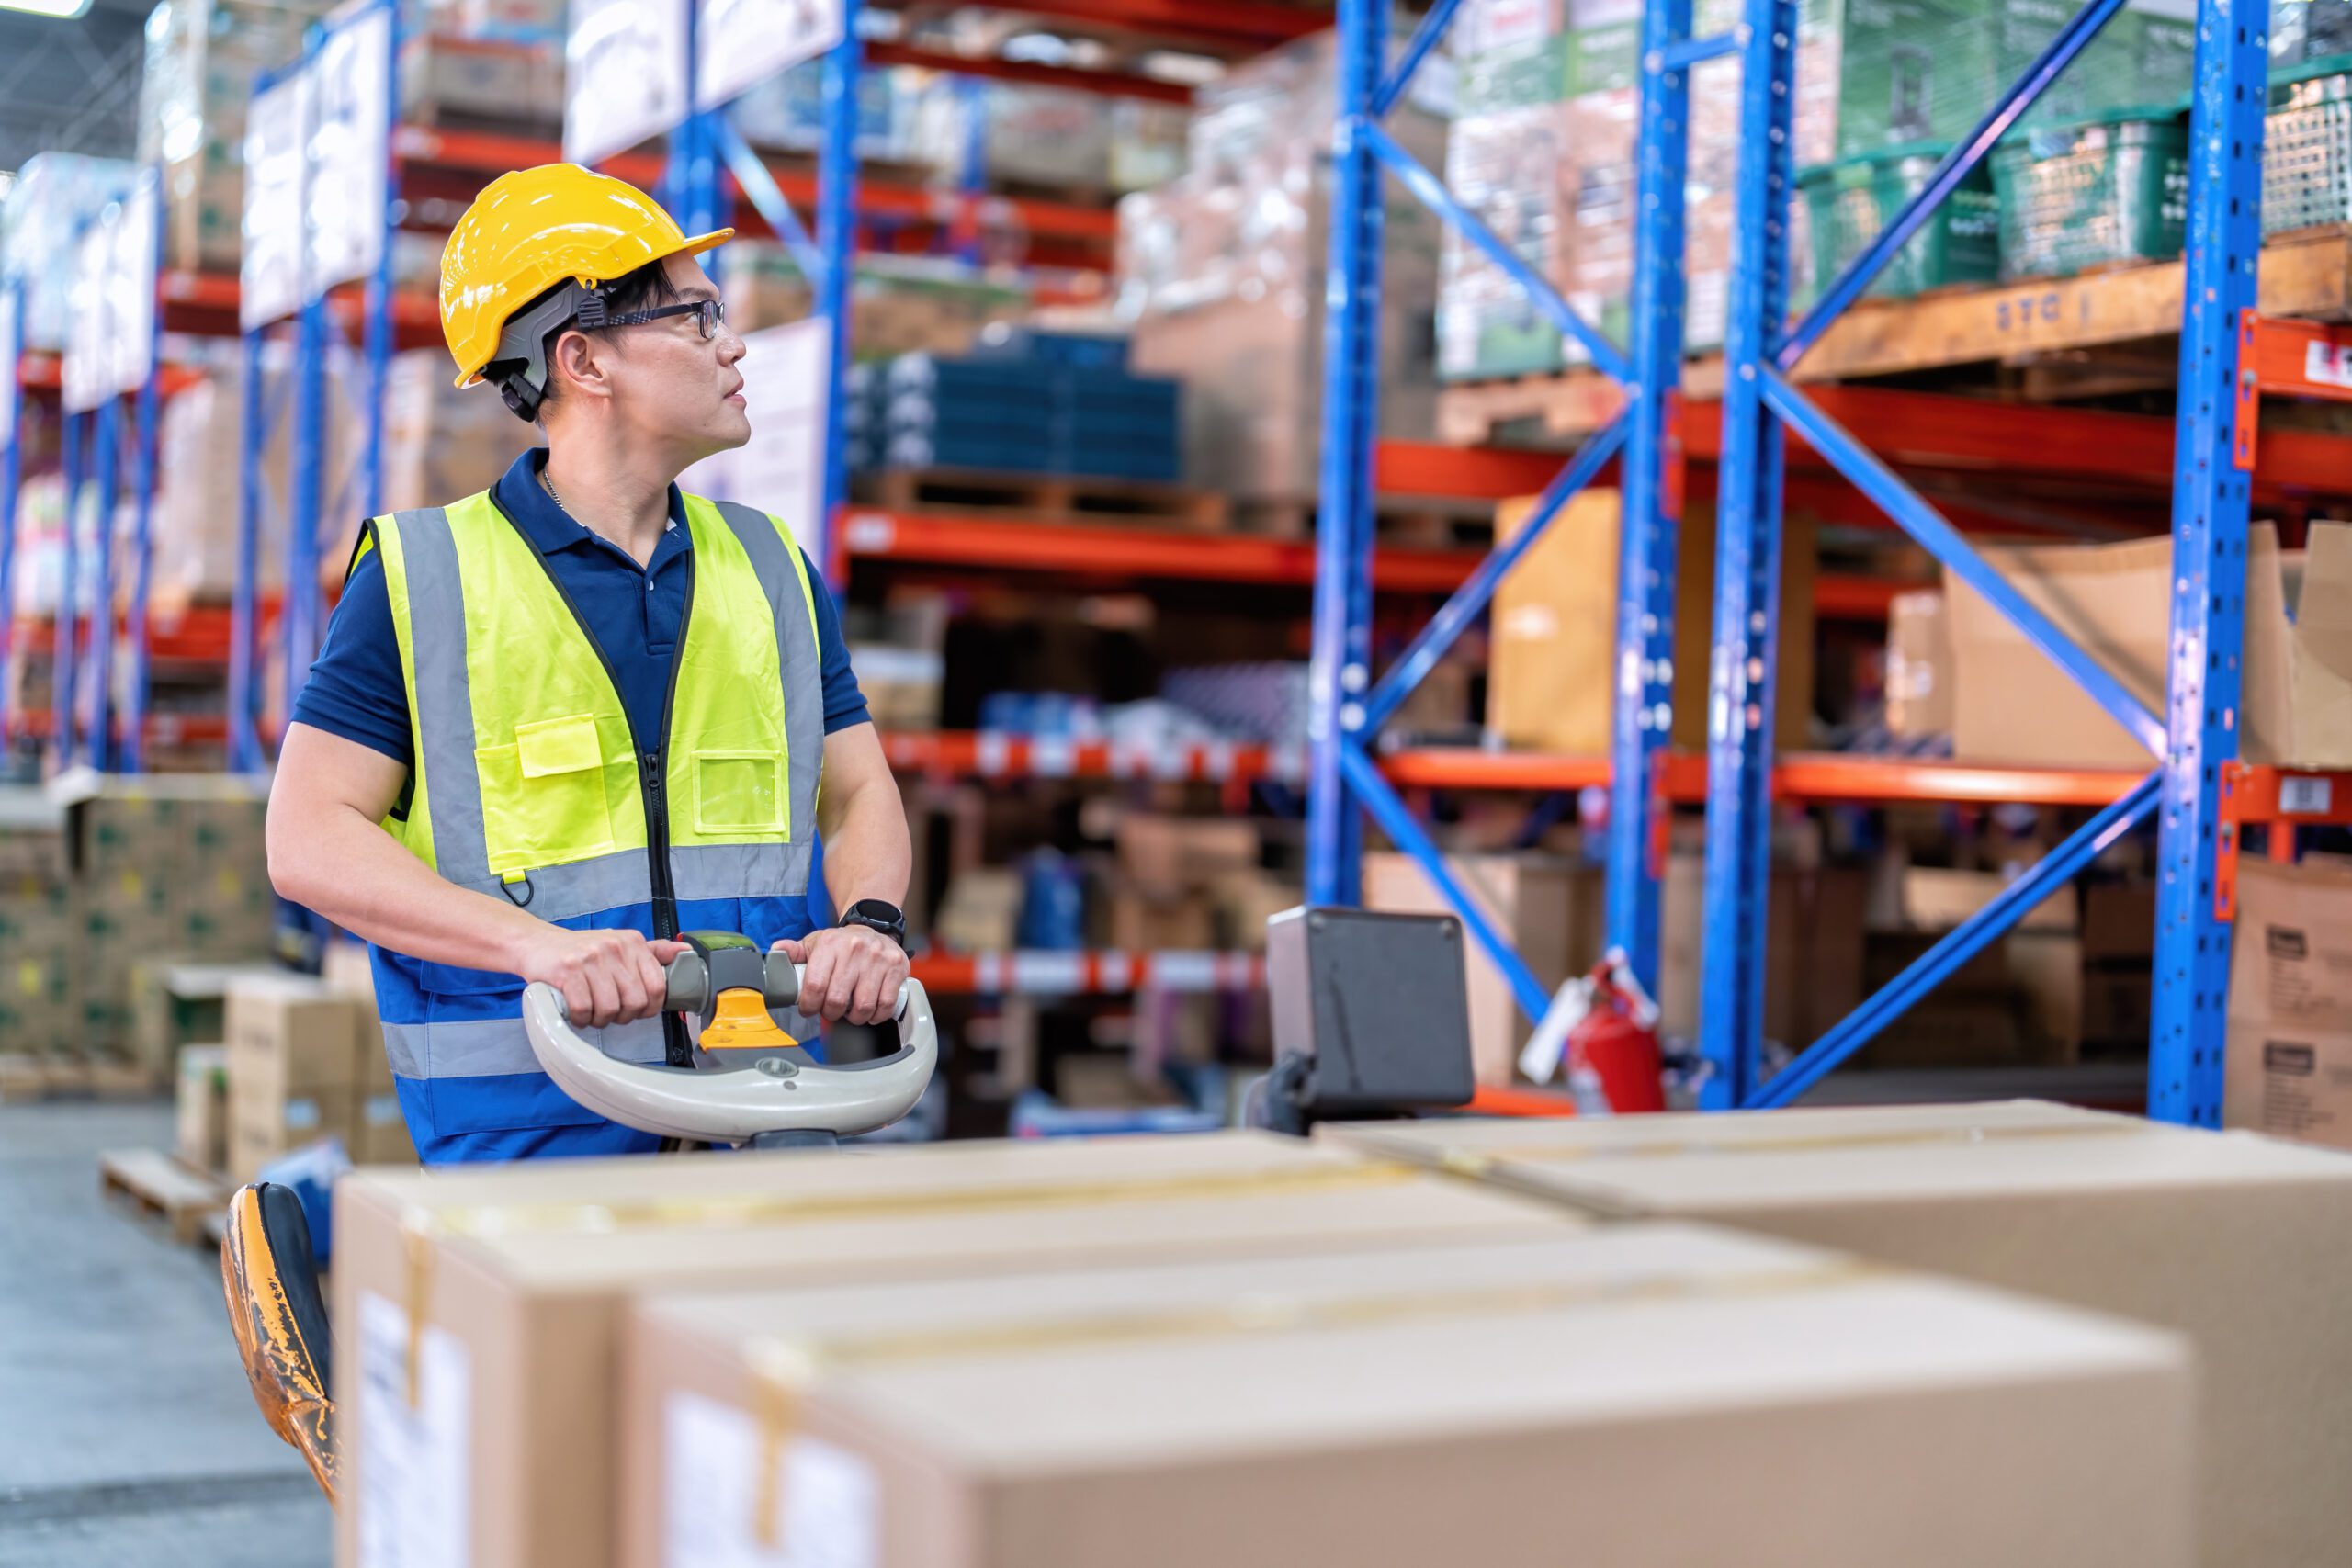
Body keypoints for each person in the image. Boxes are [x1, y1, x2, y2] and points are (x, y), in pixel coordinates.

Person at [265, 164, 913, 1164]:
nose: (732, 345)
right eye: (697, 318)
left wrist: (868, 922)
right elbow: (307, 839)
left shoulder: (773, 567)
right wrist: (536, 949)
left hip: (760, 1113)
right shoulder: (422, 578)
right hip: (527, 1149)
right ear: (585, 361)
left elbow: (859, 787)